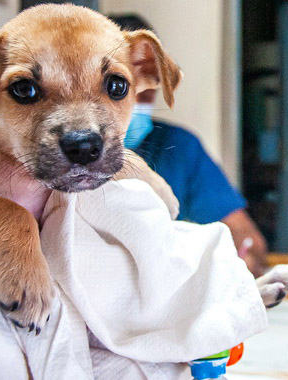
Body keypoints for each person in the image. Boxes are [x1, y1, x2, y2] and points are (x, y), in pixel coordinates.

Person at [110, 14, 268, 276]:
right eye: (120, 87)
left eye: (148, 86)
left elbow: (246, 237)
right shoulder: (69, 155)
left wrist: (244, 258)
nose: (137, 98)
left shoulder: (178, 146)